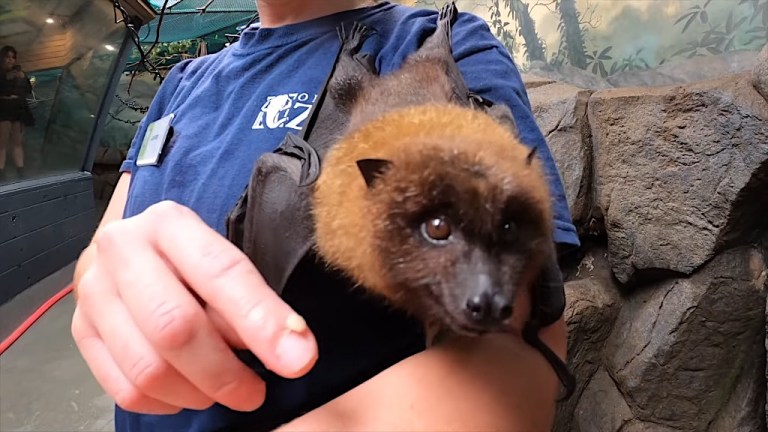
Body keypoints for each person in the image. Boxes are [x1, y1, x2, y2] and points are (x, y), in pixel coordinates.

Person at [71, 1, 581, 431]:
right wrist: (100, 278)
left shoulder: (427, 43)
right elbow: (105, 245)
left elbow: (522, 348)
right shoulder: (183, 82)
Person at [0, 45, 33, 180]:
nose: (10, 60)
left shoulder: (18, 73)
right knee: (2, 141)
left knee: (17, 141)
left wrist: (22, 77)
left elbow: (27, 90)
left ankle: (20, 169)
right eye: (8, 57)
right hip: (3, 108)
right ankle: (1, 170)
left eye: (13, 58)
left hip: (17, 108)